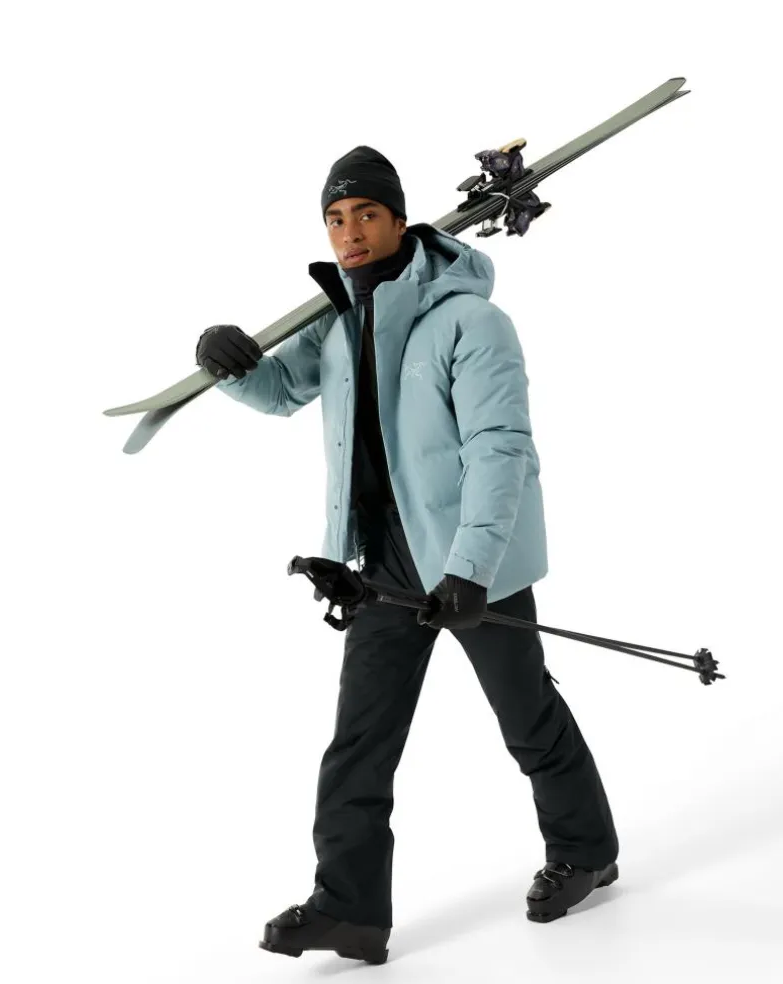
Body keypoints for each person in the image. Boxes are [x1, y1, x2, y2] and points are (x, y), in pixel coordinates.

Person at [195, 146, 619, 964]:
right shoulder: (336, 324)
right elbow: (280, 391)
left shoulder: (472, 322)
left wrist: (471, 567)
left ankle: (587, 850)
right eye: (335, 219)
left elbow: (500, 448)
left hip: (470, 561)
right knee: (360, 739)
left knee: (526, 716)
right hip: (382, 564)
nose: (349, 232)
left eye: (366, 214)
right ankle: (350, 906)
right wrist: (229, 365)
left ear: (399, 221)